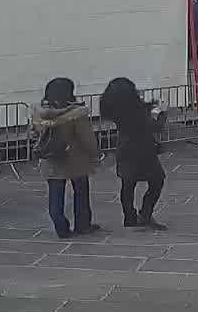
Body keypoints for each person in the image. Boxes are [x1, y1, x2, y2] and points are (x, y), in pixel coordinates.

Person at [33, 77, 101, 238]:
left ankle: (61, 227)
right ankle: (83, 224)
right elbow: (87, 138)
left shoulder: (39, 113)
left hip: (51, 158)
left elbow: (34, 133)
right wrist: (96, 154)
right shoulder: (76, 113)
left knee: (55, 194)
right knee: (81, 192)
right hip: (75, 158)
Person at [101, 78, 168, 230]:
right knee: (157, 181)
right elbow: (155, 127)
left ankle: (129, 217)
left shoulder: (116, 108)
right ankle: (145, 213)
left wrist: (149, 105)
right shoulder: (135, 112)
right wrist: (162, 113)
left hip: (125, 150)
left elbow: (140, 110)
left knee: (128, 185)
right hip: (143, 151)